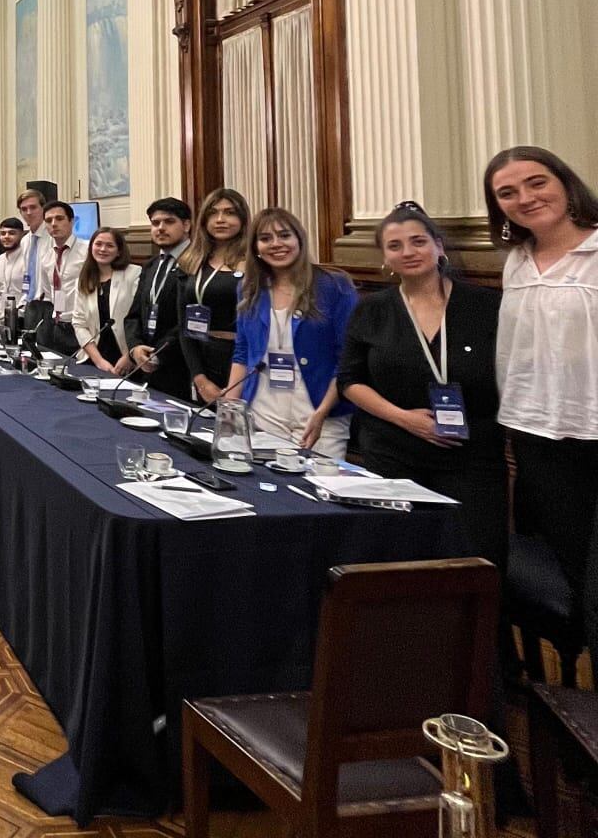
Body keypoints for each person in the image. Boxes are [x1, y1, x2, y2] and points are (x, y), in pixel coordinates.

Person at [338, 203, 506, 571]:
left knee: (475, 564)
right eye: (395, 246)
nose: (408, 252)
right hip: (393, 454)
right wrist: (405, 419)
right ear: (385, 257)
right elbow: (350, 381)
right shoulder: (372, 309)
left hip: (472, 458)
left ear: (439, 247)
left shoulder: (487, 306)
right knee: (400, 562)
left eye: (418, 241)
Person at [486, 146, 598, 649]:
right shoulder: (516, 261)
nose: (525, 198)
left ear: (565, 183)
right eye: (507, 192)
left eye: (536, 183)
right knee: (571, 571)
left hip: (592, 430)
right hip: (537, 437)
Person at [227, 207, 356, 458]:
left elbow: (347, 359)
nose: (276, 244)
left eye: (284, 236)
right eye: (265, 239)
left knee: (317, 489)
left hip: (319, 412)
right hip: (264, 408)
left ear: (299, 239)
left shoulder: (334, 285)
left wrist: (322, 412)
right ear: (255, 247)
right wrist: (230, 409)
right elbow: (242, 352)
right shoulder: (248, 289)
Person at [178, 189, 250, 403]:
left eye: (229, 213)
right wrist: (199, 378)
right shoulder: (191, 261)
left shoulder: (255, 262)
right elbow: (184, 325)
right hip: (201, 358)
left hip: (242, 359)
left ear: (243, 219)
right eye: (213, 213)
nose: (220, 220)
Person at [129, 197, 194, 400]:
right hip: (144, 363)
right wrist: (135, 347)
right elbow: (134, 314)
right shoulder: (151, 265)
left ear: (186, 225)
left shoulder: (197, 263)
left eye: (169, 221)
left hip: (180, 365)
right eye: (155, 223)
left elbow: (190, 318)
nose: (160, 228)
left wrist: (159, 353)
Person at [72, 227, 140, 374]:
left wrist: (130, 355)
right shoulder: (84, 279)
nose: (103, 249)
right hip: (95, 357)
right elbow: (79, 323)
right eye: (98, 244)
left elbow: (140, 319)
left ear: (119, 251)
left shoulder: (134, 274)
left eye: (110, 245)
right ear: (91, 247)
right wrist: (99, 360)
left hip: (127, 358)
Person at [32, 201, 87, 355]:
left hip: (80, 327)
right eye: (48, 221)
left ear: (72, 221)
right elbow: (48, 292)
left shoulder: (88, 251)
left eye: (59, 219)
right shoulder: (46, 255)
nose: (54, 224)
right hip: (55, 325)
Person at [0, 218, 28, 321]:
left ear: (22, 235)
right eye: (3, 233)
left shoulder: (27, 260)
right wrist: (2, 314)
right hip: (2, 318)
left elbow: (28, 292)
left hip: (24, 318)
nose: (6, 237)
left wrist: (16, 314)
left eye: (11, 233)